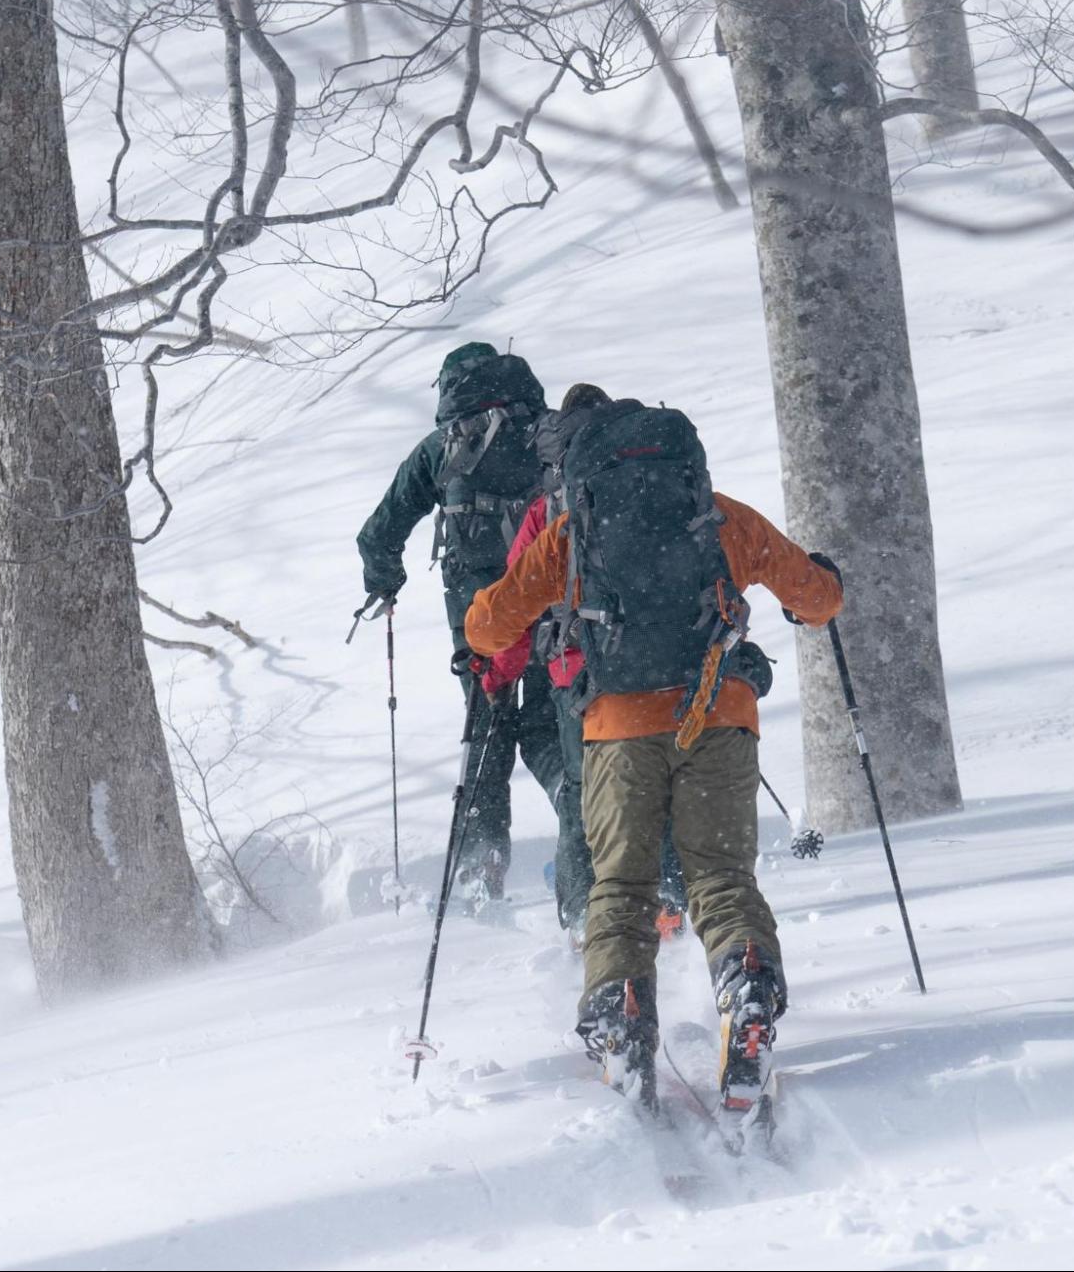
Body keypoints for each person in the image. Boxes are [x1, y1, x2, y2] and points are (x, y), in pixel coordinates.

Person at [463, 397, 842, 1119]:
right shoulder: (721, 515)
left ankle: (619, 1008)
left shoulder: (572, 532)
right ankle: (747, 981)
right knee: (721, 878)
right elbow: (816, 597)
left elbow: (489, 626)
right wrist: (821, 586)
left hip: (617, 730)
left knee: (622, 884)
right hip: (719, 717)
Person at [355, 343, 563, 908]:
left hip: (479, 620)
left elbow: (379, 531)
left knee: (488, 731)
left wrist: (385, 581)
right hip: (551, 603)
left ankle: (480, 873)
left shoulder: (442, 446)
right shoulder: (549, 432)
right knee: (552, 726)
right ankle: (584, 834)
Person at [481, 384, 690, 943]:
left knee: (582, 795)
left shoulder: (550, 506)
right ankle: (668, 897)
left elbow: (516, 605)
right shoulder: (661, 482)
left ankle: (582, 916)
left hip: (581, 674)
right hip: (668, 664)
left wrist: (497, 677)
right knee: (659, 786)